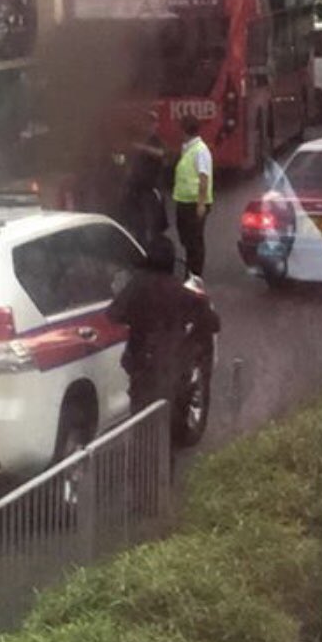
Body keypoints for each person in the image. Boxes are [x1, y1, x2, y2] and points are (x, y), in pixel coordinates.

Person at [107, 235, 220, 414]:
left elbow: (114, 314)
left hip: (141, 364)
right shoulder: (179, 290)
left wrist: (136, 318)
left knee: (141, 415)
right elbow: (212, 322)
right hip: (171, 364)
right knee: (170, 413)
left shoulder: (137, 285)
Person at [172, 114, 213, 276]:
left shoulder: (200, 150)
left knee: (195, 241)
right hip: (184, 201)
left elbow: (204, 178)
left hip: (195, 203)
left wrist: (201, 204)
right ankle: (190, 271)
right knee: (187, 239)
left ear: (184, 131)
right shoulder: (188, 148)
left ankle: (195, 275)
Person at [125, 109, 169, 249]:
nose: (149, 126)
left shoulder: (156, 141)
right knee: (138, 222)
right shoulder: (137, 139)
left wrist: (142, 148)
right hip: (136, 188)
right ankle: (140, 245)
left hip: (151, 189)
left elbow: (161, 153)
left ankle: (153, 247)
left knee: (152, 221)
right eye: (147, 123)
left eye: (152, 123)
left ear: (156, 125)